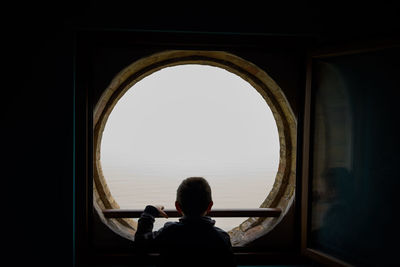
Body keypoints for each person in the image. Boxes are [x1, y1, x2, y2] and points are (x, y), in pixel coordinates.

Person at [134, 177, 236, 267]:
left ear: (177, 207)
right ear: (210, 206)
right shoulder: (221, 237)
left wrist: (150, 211)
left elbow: (142, 242)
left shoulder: (169, 232)